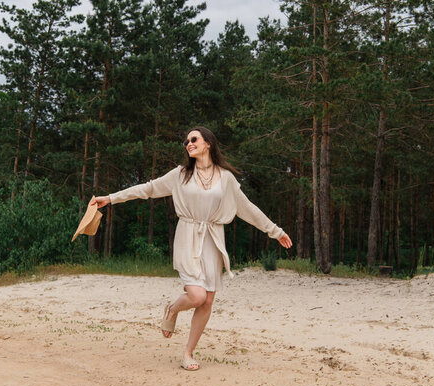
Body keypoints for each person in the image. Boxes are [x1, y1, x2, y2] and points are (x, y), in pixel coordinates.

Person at [92, 126, 292, 371]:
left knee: (207, 301)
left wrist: (275, 231)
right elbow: (147, 189)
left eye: (194, 139)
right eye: (186, 141)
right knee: (196, 296)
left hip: (213, 238)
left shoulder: (226, 178)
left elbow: (247, 208)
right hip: (188, 235)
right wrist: (111, 198)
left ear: (208, 143)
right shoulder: (180, 175)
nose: (188, 143)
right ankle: (173, 308)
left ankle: (188, 353)